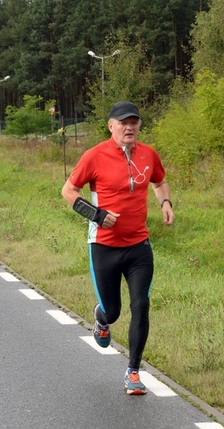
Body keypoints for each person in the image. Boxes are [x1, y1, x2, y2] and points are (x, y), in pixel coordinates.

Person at [61, 101, 174, 395]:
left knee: (142, 305)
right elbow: (68, 191)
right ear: (111, 126)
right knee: (113, 311)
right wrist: (96, 215)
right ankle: (101, 318)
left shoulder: (149, 154)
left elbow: (160, 182)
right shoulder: (94, 156)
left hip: (139, 245)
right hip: (104, 245)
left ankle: (133, 372)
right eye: (123, 122)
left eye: (134, 122)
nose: (129, 127)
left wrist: (165, 202)